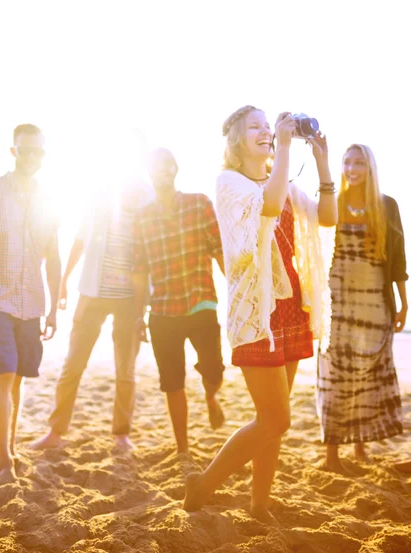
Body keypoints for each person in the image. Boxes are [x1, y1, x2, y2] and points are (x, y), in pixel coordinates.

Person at [183, 106, 337, 523]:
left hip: (289, 310)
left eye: (269, 127)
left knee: (272, 422)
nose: (267, 132)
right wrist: (284, 147)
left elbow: (327, 217)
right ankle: (204, 484)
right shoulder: (229, 182)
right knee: (276, 418)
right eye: (256, 127)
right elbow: (267, 208)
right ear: (235, 140)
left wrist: (322, 160)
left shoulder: (280, 179)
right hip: (256, 314)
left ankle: (259, 504)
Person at [0, 124, 61, 484]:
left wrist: (52, 306)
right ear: (14, 151)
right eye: (26, 150)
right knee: (3, 373)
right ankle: (4, 458)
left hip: (31, 302)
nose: (32, 157)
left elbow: (53, 255)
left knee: (17, 378)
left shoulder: (48, 200)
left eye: (38, 151)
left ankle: (10, 445)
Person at [31, 175, 153, 452]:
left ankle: (121, 434)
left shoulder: (148, 206)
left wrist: (147, 305)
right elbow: (79, 242)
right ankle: (55, 431)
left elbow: (154, 257)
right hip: (91, 294)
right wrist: (63, 283)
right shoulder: (101, 202)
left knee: (126, 371)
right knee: (73, 365)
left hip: (129, 301)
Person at [316, 144, 405, 473]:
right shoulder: (332, 204)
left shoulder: (387, 206)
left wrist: (403, 304)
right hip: (336, 307)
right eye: (347, 162)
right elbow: (314, 253)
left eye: (359, 163)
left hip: (374, 306)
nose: (352, 169)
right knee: (335, 377)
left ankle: (359, 446)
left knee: (367, 377)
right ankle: (331, 454)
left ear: (370, 168)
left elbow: (397, 261)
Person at [132, 147, 225, 455]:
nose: (160, 171)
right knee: (173, 383)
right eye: (153, 167)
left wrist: (239, 293)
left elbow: (219, 250)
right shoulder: (142, 218)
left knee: (214, 370)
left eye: (165, 165)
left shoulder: (199, 204)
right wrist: (137, 315)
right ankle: (183, 448)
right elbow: (139, 270)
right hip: (162, 311)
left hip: (201, 303)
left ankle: (211, 396)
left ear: (174, 169)